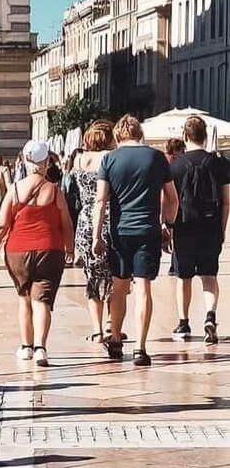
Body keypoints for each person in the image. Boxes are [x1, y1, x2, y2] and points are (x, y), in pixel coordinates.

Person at [93, 115, 179, 366]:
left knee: (119, 287)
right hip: (148, 230)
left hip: (120, 232)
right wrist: (168, 225)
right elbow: (172, 198)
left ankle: (117, 339)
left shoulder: (109, 159)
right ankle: (141, 348)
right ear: (139, 133)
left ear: (118, 135)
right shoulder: (156, 157)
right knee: (144, 288)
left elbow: (101, 201)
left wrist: (97, 236)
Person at [0, 140, 74, 367]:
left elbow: (1, 224)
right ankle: (40, 349)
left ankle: (26, 347)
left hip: (17, 251)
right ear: (46, 162)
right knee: (42, 302)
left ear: (25, 161)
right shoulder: (54, 191)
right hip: (50, 250)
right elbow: (66, 223)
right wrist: (70, 248)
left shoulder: (14, 190)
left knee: (24, 300)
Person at [168, 115, 230, 344]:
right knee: (209, 276)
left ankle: (183, 323)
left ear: (185, 137)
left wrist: (169, 227)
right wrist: (222, 228)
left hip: (184, 226)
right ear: (205, 135)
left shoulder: (176, 165)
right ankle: (210, 317)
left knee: (183, 277)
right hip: (211, 226)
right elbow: (226, 201)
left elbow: (171, 201)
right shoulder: (219, 163)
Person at [72, 120, 116, 343]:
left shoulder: (78, 159)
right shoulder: (109, 159)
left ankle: (97, 329)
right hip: (108, 219)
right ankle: (111, 323)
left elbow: (73, 193)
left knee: (92, 277)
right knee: (113, 275)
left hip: (84, 221)